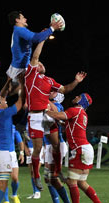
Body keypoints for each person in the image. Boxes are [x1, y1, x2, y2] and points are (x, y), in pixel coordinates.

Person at [25, 39, 87, 191]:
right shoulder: (30, 76)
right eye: (38, 63)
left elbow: (65, 89)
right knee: (38, 148)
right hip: (35, 116)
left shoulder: (49, 80)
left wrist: (76, 81)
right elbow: (35, 57)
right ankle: (36, 176)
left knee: (56, 144)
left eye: (41, 63)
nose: (40, 64)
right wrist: (42, 40)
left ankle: (57, 171)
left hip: (47, 115)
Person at [0, 11, 63, 119]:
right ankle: (31, 117)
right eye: (23, 17)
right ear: (17, 20)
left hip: (22, 66)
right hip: (20, 69)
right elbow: (36, 38)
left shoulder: (20, 31)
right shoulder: (19, 30)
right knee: (18, 93)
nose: (25, 19)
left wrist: (44, 34)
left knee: (37, 75)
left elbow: (36, 38)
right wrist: (52, 28)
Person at [46, 93, 107, 203]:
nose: (76, 96)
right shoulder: (82, 113)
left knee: (72, 182)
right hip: (84, 148)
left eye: (79, 96)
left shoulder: (75, 110)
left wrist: (45, 111)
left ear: (83, 101)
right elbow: (68, 124)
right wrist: (60, 121)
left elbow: (59, 115)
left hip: (80, 149)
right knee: (81, 182)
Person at [43, 91, 73, 203]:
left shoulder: (58, 107)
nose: (49, 93)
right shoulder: (44, 104)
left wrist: (45, 100)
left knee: (53, 178)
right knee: (48, 178)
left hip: (58, 145)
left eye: (53, 92)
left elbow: (57, 114)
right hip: (49, 146)